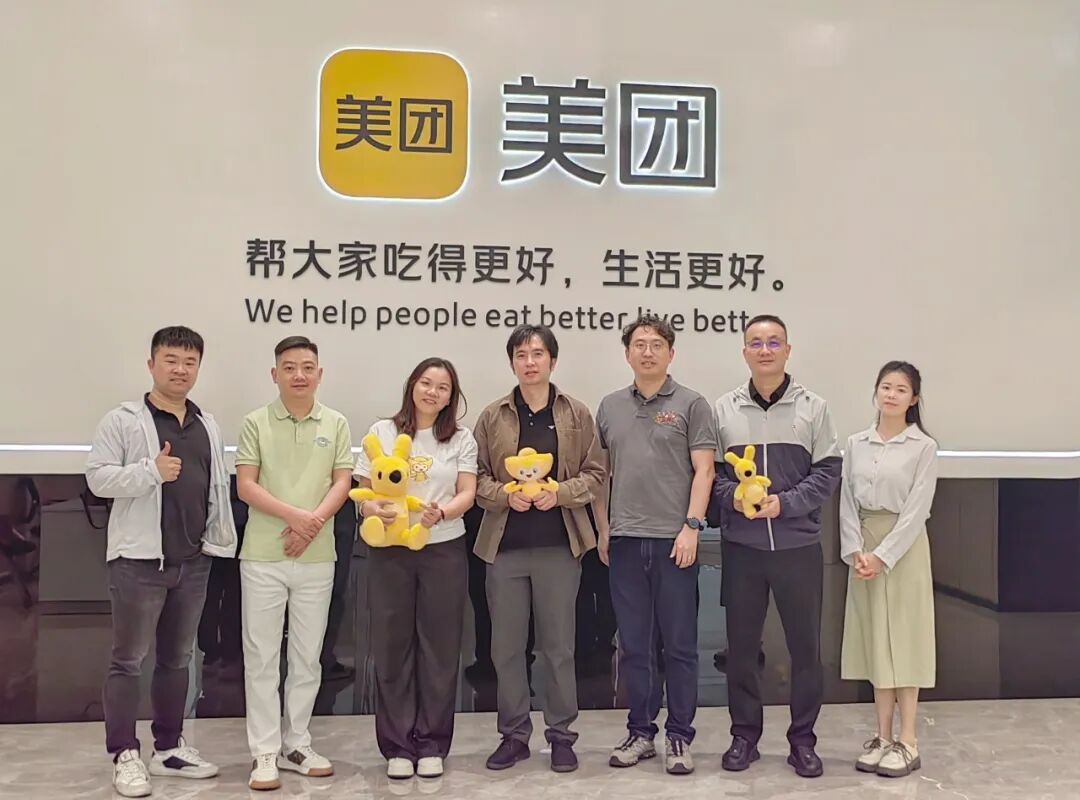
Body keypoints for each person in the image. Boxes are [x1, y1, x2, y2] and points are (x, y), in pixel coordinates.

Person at [86, 326, 236, 798]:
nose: (180, 370)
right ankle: (124, 753)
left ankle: (168, 747)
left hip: (193, 561)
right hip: (139, 562)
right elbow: (98, 479)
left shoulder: (207, 424)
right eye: (171, 360)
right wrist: (150, 471)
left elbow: (214, 488)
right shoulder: (123, 420)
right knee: (128, 660)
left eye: (190, 362)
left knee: (177, 659)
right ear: (152, 365)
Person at [708, 314, 842, 779]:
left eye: (773, 342)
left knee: (806, 650)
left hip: (798, 547)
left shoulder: (814, 408)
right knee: (742, 651)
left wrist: (784, 504)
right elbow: (712, 478)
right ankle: (744, 736)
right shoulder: (723, 409)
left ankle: (803, 741)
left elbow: (827, 474)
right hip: (742, 549)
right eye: (756, 343)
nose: (764, 350)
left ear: (787, 350)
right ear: (744, 352)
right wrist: (737, 500)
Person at [473, 325, 606, 773]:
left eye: (537, 354)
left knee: (559, 648)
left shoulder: (575, 413)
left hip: (560, 548)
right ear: (512, 362)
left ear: (553, 360)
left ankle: (562, 736)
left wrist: (560, 493)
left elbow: (595, 473)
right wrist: (503, 495)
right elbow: (475, 478)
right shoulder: (493, 416)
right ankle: (513, 736)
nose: (529, 362)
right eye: (521, 355)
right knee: (506, 649)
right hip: (504, 549)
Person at [596, 314, 717, 776]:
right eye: (639, 344)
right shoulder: (610, 406)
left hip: (675, 542)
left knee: (680, 646)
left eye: (656, 344)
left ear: (671, 353)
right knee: (634, 646)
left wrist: (692, 526)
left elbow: (704, 470)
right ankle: (641, 732)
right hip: (625, 542)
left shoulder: (692, 404)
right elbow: (602, 475)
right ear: (627, 353)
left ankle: (680, 736)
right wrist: (604, 528)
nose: (647, 352)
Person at [235, 336, 354, 791]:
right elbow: (246, 485)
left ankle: (297, 744)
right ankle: (264, 751)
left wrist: (313, 524)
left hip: (318, 556)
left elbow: (342, 481)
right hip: (263, 556)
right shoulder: (255, 422)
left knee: (307, 657)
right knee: (262, 657)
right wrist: (296, 518)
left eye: (307, 367)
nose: (299, 375)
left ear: (319, 374)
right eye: (289, 367)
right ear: (275, 374)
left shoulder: (336, 422)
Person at [354, 357, 477, 781]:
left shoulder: (460, 438)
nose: (432, 393)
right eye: (426, 383)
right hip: (390, 552)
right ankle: (397, 746)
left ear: (451, 397)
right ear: (412, 385)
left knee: (439, 649)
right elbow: (362, 491)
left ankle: (431, 744)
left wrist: (441, 513)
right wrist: (371, 508)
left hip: (443, 549)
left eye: (443, 388)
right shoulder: (381, 432)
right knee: (392, 647)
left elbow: (467, 492)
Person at [840, 361, 938, 778]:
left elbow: (918, 510)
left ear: (913, 399)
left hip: (904, 549)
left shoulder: (923, 447)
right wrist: (856, 551)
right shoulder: (855, 443)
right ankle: (881, 737)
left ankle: (908, 741)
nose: (892, 394)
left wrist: (884, 555)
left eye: (901, 389)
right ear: (876, 391)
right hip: (864, 548)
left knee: (905, 639)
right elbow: (846, 501)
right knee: (875, 640)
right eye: (886, 386)